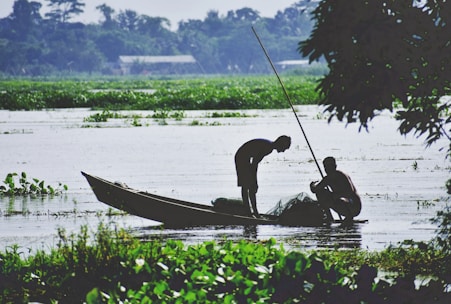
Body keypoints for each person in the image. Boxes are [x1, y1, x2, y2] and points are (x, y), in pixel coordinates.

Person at [235, 135, 291, 217]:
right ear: (280, 144)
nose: (283, 151)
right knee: (247, 185)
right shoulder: (268, 147)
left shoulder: (269, 147)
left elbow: (254, 164)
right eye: (284, 148)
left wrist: (254, 181)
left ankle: (252, 211)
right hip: (242, 157)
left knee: (250, 186)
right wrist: (255, 182)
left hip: (245, 157)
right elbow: (254, 164)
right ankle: (250, 212)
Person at [310, 156, 361, 224]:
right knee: (321, 192)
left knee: (332, 197)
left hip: (353, 206)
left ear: (335, 166)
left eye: (330, 166)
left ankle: (348, 216)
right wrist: (312, 185)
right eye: (326, 167)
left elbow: (350, 193)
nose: (327, 169)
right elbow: (316, 190)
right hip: (343, 205)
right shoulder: (327, 178)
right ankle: (329, 217)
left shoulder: (342, 176)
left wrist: (335, 196)